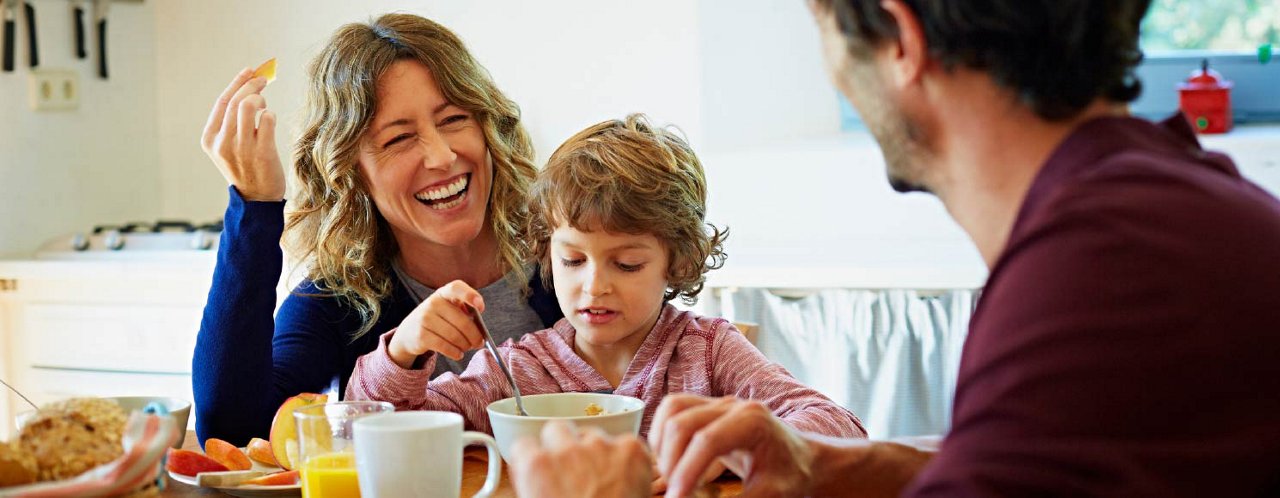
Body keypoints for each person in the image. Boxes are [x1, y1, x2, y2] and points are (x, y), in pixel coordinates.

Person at [509, 1, 1280, 497]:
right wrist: (830, 463)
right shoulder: (1173, 203)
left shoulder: (1091, 283)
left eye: (819, 25)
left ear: (900, 37)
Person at [346, 114, 865, 443]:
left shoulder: (708, 353)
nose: (594, 286)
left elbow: (836, 426)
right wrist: (404, 353)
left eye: (627, 264)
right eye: (573, 261)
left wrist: (748, 437)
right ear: (546, 254)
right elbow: (372, 430)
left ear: (676, 262)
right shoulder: (521, 369)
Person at [192, 13, 563, 446]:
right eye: (399, 138)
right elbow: (234, 431)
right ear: (352, 173)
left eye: (453, 120)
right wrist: (254, 207)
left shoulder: (573, 261)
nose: (442, 157)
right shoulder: (340, 300)